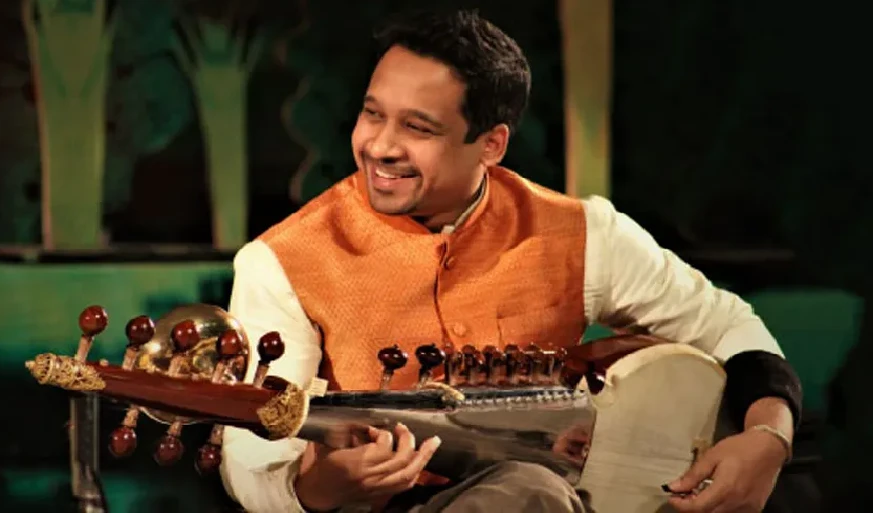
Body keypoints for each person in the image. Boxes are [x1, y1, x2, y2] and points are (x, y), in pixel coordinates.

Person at [219, 9, 802, 513]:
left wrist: (768, 437)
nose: (380, 146)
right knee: (532, 490)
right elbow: (251, 463)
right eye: (373, 114)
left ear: (491, 144)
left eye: (417, 127)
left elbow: (730, 327)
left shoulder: (581, 233)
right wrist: (317, 488)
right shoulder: (282, 262)